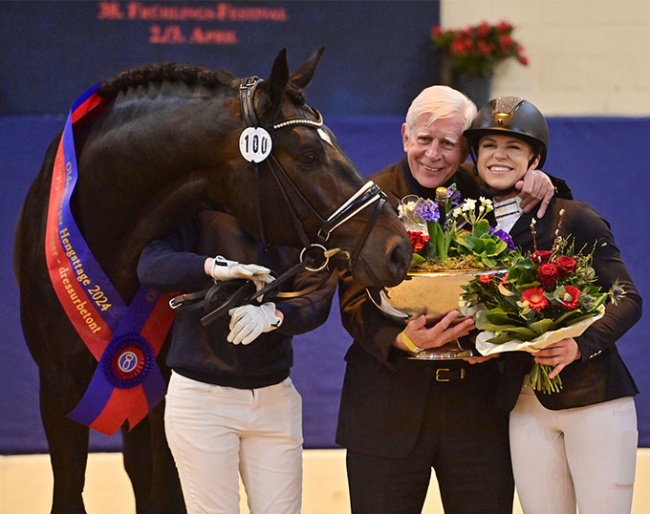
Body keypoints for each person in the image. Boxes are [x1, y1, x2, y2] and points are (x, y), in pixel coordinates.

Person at [336, 85, 571, 514]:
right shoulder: (369, 197)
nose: (433, 154)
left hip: (478, 412)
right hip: (387, 408)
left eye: (449, 143)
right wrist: (404, 340)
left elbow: (546, 231)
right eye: (424, 139)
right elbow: (352, 301)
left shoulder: (490, 192)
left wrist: (545, 182)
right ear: (405, 135)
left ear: (466, 148)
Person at [464, 96, 643, 514]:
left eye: (514, 147)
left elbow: (627, 298)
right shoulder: (473, 228)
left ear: (535, 158)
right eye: (489, 145)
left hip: (594, 398)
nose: (499, 156)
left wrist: (582, 343)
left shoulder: (574, 217)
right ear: (476, 155)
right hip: (523, 405)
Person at [137, 209, 337, 514]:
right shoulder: (203, 209)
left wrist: (274, 314)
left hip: (274, 396)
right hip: (202, 399)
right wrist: (213, 267)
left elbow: (317, 295)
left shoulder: (299, 216)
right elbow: (151, 264)